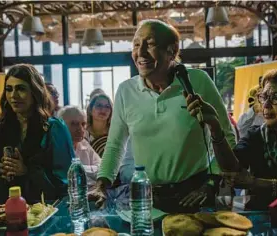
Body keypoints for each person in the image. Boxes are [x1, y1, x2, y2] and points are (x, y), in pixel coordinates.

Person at [91, 19, 236, 213]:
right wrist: (101, 184)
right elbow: (115, 145)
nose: (140, 52)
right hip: (147, 198)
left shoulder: (198, 82)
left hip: (195, 195)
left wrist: (212, 182)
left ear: (172, 51)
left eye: (149, 44)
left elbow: (227, 135)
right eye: (136, 44)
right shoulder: (126, 90)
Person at [185, 69, 277, 209]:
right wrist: (215, 127)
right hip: (263, 217)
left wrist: (257, 183)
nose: (266, 104)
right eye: (264, 97)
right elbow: (231, 169)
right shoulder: (256, 136)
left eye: (276, 97)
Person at [0, 64, 74, 205]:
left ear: (35, 92)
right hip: (2, 213)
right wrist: (0, 174)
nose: (13, 95)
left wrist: (26, 171)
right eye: (9, 89)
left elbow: (65, 184)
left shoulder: (53, 129)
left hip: (46, 213)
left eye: (21, 89)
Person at [58, 106, 101, 191]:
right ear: (61, 125)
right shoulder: (56, 146)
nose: (80, 129)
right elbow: (66, 179)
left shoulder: (83, 143)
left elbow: (101, 169)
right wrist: (91, 173)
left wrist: (79, 170)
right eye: (74, 124)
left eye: (83, 124)